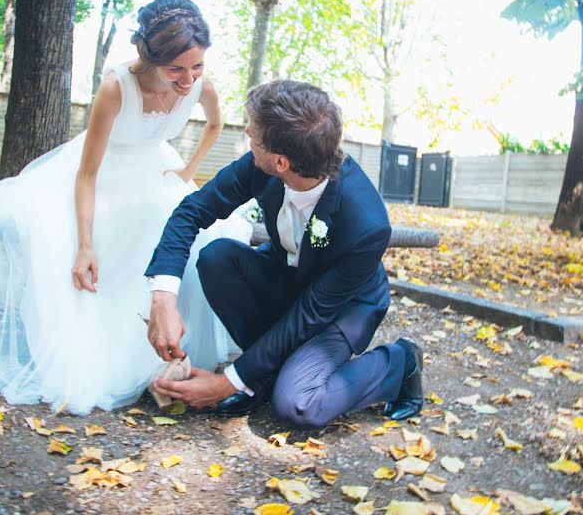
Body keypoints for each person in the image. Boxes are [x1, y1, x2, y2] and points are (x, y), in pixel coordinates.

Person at [0, 0, 250, 415]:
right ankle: (99, 346)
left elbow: (215, 124)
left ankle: (159, 343)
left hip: (157, 172)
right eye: (176, 69)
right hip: (100, 173)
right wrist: (85, 244)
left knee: (180, 237)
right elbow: (86, 174)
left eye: (197, 67)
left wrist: (187, 171)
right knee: (80, 250)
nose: (188, 80)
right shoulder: (117, 86)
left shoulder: (199, 85)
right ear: (150, 56)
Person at [145, 80, 423, 429]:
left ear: (280, 162)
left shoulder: (368, 225)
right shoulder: (260, 165)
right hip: (286, 279)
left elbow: (309, 315)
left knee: (298, 405)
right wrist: (163, 297)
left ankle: (400, 362)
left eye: (253, 134)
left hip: (339, 310)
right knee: (217, 259)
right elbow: (192, 211)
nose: (246, 132)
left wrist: (224, 383)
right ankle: (258, 378)